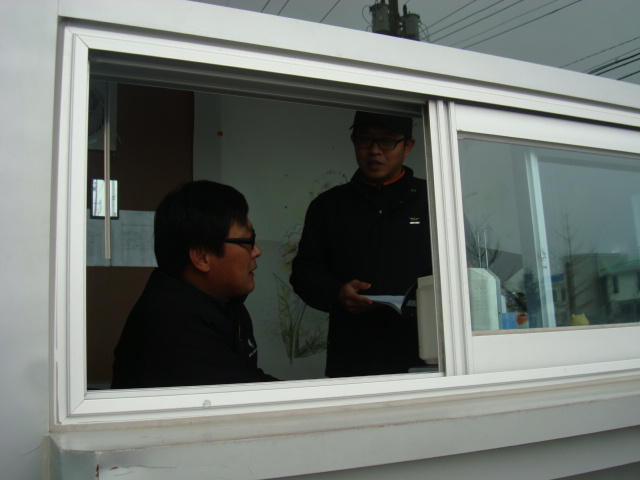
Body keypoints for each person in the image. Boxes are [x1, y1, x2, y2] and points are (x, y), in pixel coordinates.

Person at [290, 111, 432, 377]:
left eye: (387, 141)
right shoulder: (329, 206)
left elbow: (464, 268)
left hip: (425, 352)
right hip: (353, 354)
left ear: (408, 146)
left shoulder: (434, 199)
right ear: (354, 141)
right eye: (365, 140)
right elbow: (304, 273)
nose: (375, 151)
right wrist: (337, 293)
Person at [112, 180, 277, 388]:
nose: (257, 251)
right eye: (247, 241)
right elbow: (242, 395)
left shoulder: (224, 302)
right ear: (202, 258)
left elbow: (246, 375)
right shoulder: (176, 326)